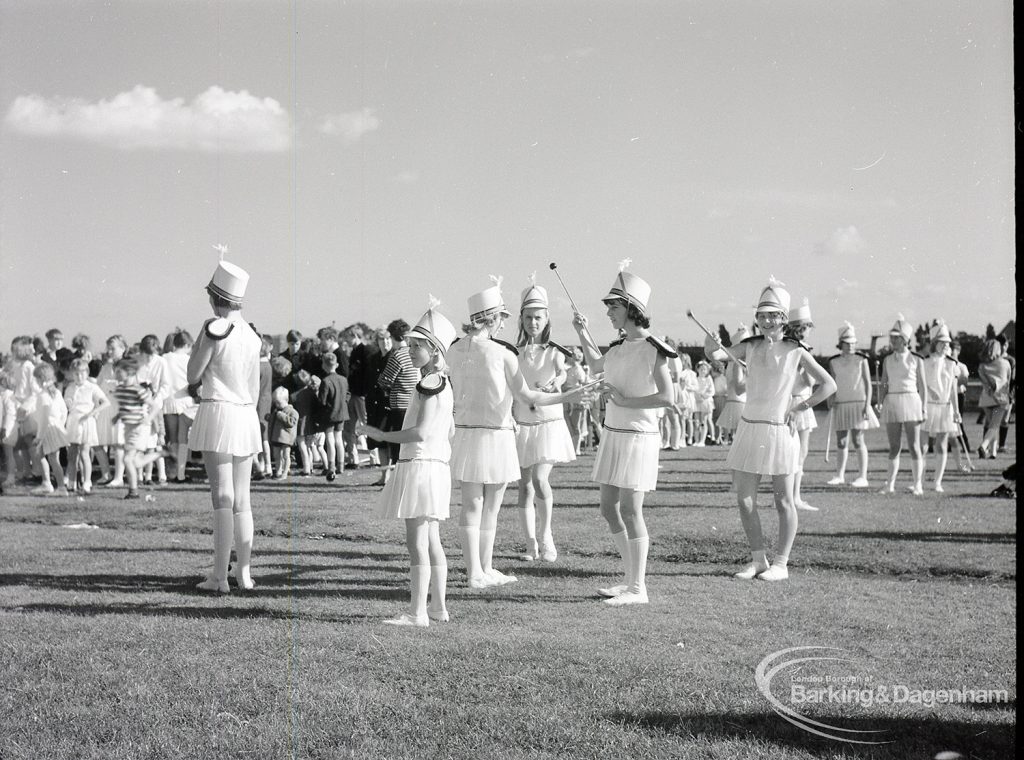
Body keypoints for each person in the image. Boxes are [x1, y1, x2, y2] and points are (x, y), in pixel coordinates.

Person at [447, 277, 581, 589]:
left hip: (466, 435)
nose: (504, 326)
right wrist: (567, 396)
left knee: (471, 506)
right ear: (493, 319)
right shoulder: (504, 354)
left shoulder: (454, 351)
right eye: (502, 319)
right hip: (496, 436)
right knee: (489, 507)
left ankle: (478, 571)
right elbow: (527, 397)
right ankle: (481, 570)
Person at [715, 277, 836, 582]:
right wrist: (716, 346)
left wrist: (799, 408)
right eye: (762, 315)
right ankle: (758, 560)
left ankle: (781, 563)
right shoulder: (750, 347)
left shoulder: (796, 350)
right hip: (749, 428)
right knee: (745, 500)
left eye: (773, 315)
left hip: (780, 430)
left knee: (783, 501)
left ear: (783, 319)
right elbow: (715, 355)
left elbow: (829, 385)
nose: (767, 320)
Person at [570, 262, 676, 606]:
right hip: (615, 434)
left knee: (632, 510)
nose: (609, 313)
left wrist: (626, 400)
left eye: (613, 307)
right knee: (608, 508)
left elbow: (667, 398)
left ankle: (638, 588)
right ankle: (630, 579)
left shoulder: (654, 350)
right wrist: (581, 331)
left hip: (638, 436)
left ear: (632, 309)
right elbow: (596, 365)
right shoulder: (617, 347)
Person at [358, 300, 458, 627]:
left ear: (434, 350)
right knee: (431, 540)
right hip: (435, 465)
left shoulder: (430, 384)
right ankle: (438, 608)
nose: (410, 349)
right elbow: (449, 430)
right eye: (411, 344)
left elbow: (420, 432)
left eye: (417, 346)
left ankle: (417, 613)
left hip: (421, 465)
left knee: (417, 542)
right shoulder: (442, 382)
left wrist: (380, 434)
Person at [187, 256, 263, 593]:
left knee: (222, 496)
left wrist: (197, 346)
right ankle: (243, 573)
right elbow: (256, 388)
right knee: (242, 499)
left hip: (218, 409)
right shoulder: (253, 335)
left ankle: (219, 576)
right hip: (245, 414)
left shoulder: (214, 328)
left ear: (216, 297)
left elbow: (193, 374)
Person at [513, 277, 577, 562]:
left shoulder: (554, 350)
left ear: (546, 318)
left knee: (540, 479)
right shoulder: (513, 352)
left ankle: (547, 537)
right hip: (523, 421)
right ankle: (530, 544)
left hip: (548, 420)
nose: (533, 323)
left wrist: (557, 382)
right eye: (528, 317)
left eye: (538, 317)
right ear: (522, 319)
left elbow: (562, 372)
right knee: (524, 484)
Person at [877, 314, 928, 495]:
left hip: (912, 401)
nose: (893, 340)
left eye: (896, 337)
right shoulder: (887, 360)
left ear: (905, 340)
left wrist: (924, 407)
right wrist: (880, 402)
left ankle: (918, 485)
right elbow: (883, 382)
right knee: (894, 446)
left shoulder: (917, 359)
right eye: (892, 337)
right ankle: (890, 485)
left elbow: (922, 386)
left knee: (914, 446)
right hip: (892, 401)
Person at [825, 322, 878, 488]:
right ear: (841, 344)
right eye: (847, 343)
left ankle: (863, 476)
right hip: (841, 404)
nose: (850, 346)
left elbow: (868, 384)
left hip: (858, 403)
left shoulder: (861, 360)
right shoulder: (833, 361)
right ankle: (839, 475)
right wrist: (830, 399)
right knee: (841, 441)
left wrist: (867, 405)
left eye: (853, 343)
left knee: (858, 439)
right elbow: (832, 383)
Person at [373, 319, 419, 486]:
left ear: (392, 337)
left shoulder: (398, 355)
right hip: (413, 403)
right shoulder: (414, 353)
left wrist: (386, 387)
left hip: (399, 405)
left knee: (398, 447)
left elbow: (385, 380)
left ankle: (399, 482)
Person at [784, 299, 820, 511]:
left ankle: (795, 495)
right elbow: (809, 381)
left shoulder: (805, 351)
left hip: (804, 403)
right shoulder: (794, 352)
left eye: (806, 328)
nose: (805, 332)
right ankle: (792, 497)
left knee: (801, 452)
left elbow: (811, 383)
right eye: (802, 328)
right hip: (793, 402)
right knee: (793, 452)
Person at [112, 358, 164, 500]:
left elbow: (155, 406)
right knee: (134, 461)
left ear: (128, 372)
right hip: (128, 428)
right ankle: (159, 455)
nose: (115, 374)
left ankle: (133, 491)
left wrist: (148, 418)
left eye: (118, 371)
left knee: (128, 459)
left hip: (138, 428)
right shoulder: (121, 389)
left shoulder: (138, 390)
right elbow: (127, 407)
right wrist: (118, 416)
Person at [921, 321, 961, 492]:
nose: (945, 345)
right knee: (922, 445)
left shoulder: (952, 364)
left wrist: (957, 411)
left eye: (947, 343)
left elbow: (953, 390)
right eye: (941, 342)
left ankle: (938, 481)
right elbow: (921, 383)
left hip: (945, 408)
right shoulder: (924, 361)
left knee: (942, 445)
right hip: (927, 406)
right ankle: (919, 480)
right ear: (934, 343)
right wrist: (930, 391)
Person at [63, 358, 110, 494]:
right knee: (72, 455)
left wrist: (94, 412)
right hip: (73, 421)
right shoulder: (70, 388)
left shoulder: (92, 387)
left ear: (87, 373)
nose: (79, 376)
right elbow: (67, 403)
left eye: (82, 373)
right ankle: (72, 482)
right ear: (72, 374)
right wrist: (68, 404)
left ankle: (87, 482)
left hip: (86, 421)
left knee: (85, 453)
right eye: (76, 374)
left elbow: (106, 402)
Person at [162, 330, 198, 483]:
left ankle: (170, 471)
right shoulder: (189, 360)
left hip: (169, 401)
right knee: (183, 439)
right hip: (185, 400)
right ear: (187, 345)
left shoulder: (163, 358)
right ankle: (180, 472)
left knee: (172, 439)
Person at [30, 363, 70, 496]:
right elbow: (64, 411)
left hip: (48, 430)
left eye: (36, 379)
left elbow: (44, 418)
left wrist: (39, 437)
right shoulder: (56, 392)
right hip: (56, 427)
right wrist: (61, 425)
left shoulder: (43, 395)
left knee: (53, 459)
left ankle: (61, 487)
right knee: (40, 454)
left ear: (41, 379)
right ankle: (46, 482)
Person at [715, 324, 750, 444]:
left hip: (743, 401)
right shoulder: (736, 364)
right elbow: (738, 387)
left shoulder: (740, 364)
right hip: (738, 401)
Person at [316, 352, 349, 481]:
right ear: (337, 364)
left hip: (329, 414)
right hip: (342, 412)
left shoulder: (325, 381)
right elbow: (347, 394)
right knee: (339, 439)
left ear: (324, 365)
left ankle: (331, 466)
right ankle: (341, 465)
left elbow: (322, 401)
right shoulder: (343, 379)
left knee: (330, 440)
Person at [977, 338, 1012, 459]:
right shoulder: (1005, 363)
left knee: (992, 424)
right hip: (1001, 399)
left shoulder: (982, 366)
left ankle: (993, 453)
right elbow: (1007, 381)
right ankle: (983, 446)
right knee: (994, 426)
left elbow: (984, 383)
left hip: (986, 399)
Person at [267, 386, 299, 479]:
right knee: (277, 456)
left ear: (286, 400)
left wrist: (282, 416)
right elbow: (273, 420)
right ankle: (278, 471)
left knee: (286, 455)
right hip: (276, 437)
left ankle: (285, 472)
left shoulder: (293, 412)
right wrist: (269, 417)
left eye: (278, 402)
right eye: (275, 402)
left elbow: (291, 422)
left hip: (286, 439)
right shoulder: (277, 411)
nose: (276, 404)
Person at [563, 347, 590, 455]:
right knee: (571, 424)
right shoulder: (571, 369)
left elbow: (583, 385)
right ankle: (573, 448)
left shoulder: (578, 369)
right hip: (569, 398)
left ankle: (576, 449)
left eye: (570, 354)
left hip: (576, 400)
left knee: (575, 425)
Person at [693, 360, 715, 446]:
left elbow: (712, 391)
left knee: (704, 421)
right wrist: (697, 396)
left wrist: (704, 396)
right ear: (698, 370)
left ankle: (702, 440)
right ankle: (696, 440)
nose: (703, 371)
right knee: (696, 421)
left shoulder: (708, 379)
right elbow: (694, 389)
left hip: (706, 401)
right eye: (701, 369)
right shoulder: (695, 379)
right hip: (697, 401)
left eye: (704, 369)